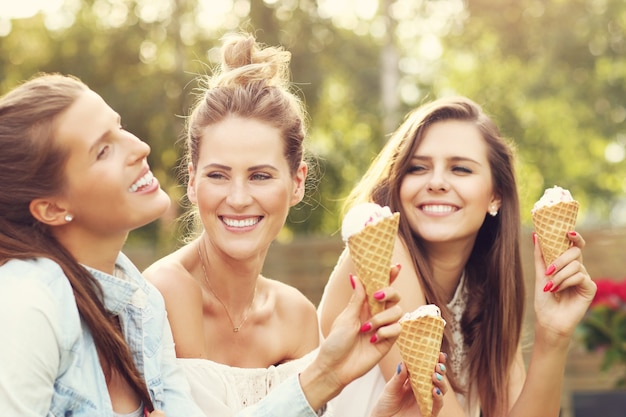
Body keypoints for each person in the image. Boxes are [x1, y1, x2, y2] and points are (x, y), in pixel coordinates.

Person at [0, 72, 445, 417]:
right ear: (52, 209)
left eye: (119, 130)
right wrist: (322, 375)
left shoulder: (135, 302)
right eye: (103, 149)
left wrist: (336, 380)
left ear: (298, 182)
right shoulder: (29, 299)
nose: (139, 146)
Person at [143, 32, 446, 416]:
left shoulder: (297, 316)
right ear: (191, 180)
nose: (237, 198)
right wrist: (322, 376)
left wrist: (387, 413)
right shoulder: (165, 294)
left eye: (260, 176)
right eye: (218, 175)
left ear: (297, 182)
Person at [318, 96, 597, 417]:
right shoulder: (382, 258)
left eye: (461, 169)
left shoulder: (486, 292)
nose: (436, 182)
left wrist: (554, 335)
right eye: (417, 168)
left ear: (496, 195)